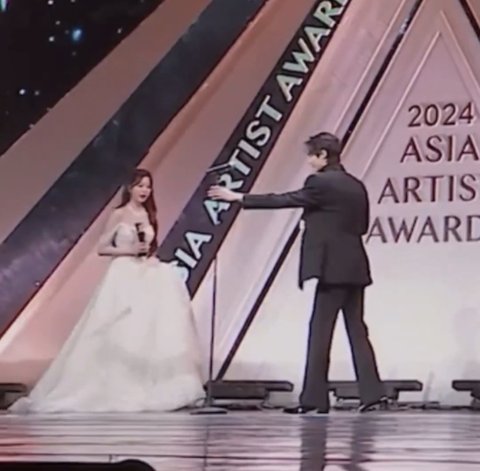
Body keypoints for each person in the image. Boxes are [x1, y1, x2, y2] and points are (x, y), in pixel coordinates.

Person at [208, 132, 387, 414]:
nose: (308, 161)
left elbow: (285, 199)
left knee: (320, 332)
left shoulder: (320, 182)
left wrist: (239, 197)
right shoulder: (356, 184)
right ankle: (373, 395)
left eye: (311, 155)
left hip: (332, 269)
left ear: (323, 155)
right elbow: (362, 225)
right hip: (356, 266)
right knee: (357, 331)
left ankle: (314, 400)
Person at [9, 168, 205, 413]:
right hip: (122, 273)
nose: (144, 190)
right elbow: (102, 247)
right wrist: (128, 252)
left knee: (146, 327)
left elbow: (147, 245)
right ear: (129, 188)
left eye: (148, 186)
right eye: (140, 185)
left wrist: (147, 256)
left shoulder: (148, 213)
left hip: (144, 272)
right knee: (116, 327)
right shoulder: (118, 214)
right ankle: (109, 384)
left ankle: (147, 381)